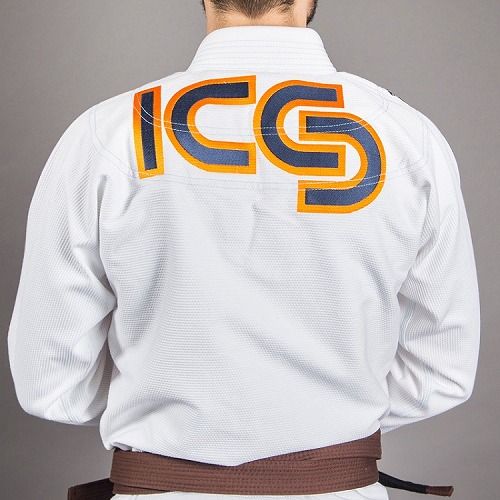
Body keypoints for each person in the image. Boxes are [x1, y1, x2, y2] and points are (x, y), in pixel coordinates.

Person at [7, 1, 480, 500]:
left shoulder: (107, 134)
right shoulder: (408, 138)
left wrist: (168, 407)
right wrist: (322, 417)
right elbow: (440, 371)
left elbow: (48, 380)